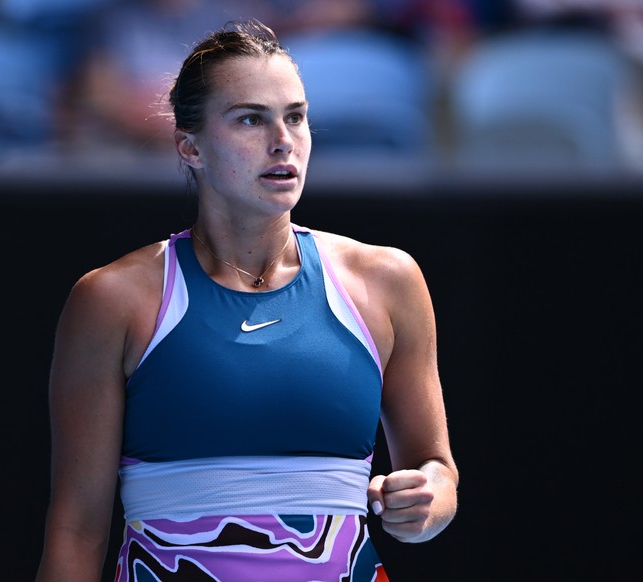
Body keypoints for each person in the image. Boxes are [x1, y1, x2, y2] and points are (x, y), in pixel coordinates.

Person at [35, 20, 458, 581]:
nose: (283, 139)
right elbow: (76, 526)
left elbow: (437, 470)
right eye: (251, 119)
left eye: (296, 116)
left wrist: (427, 500)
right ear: (191, 146)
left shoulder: (388, 280)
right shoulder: (111, 300)